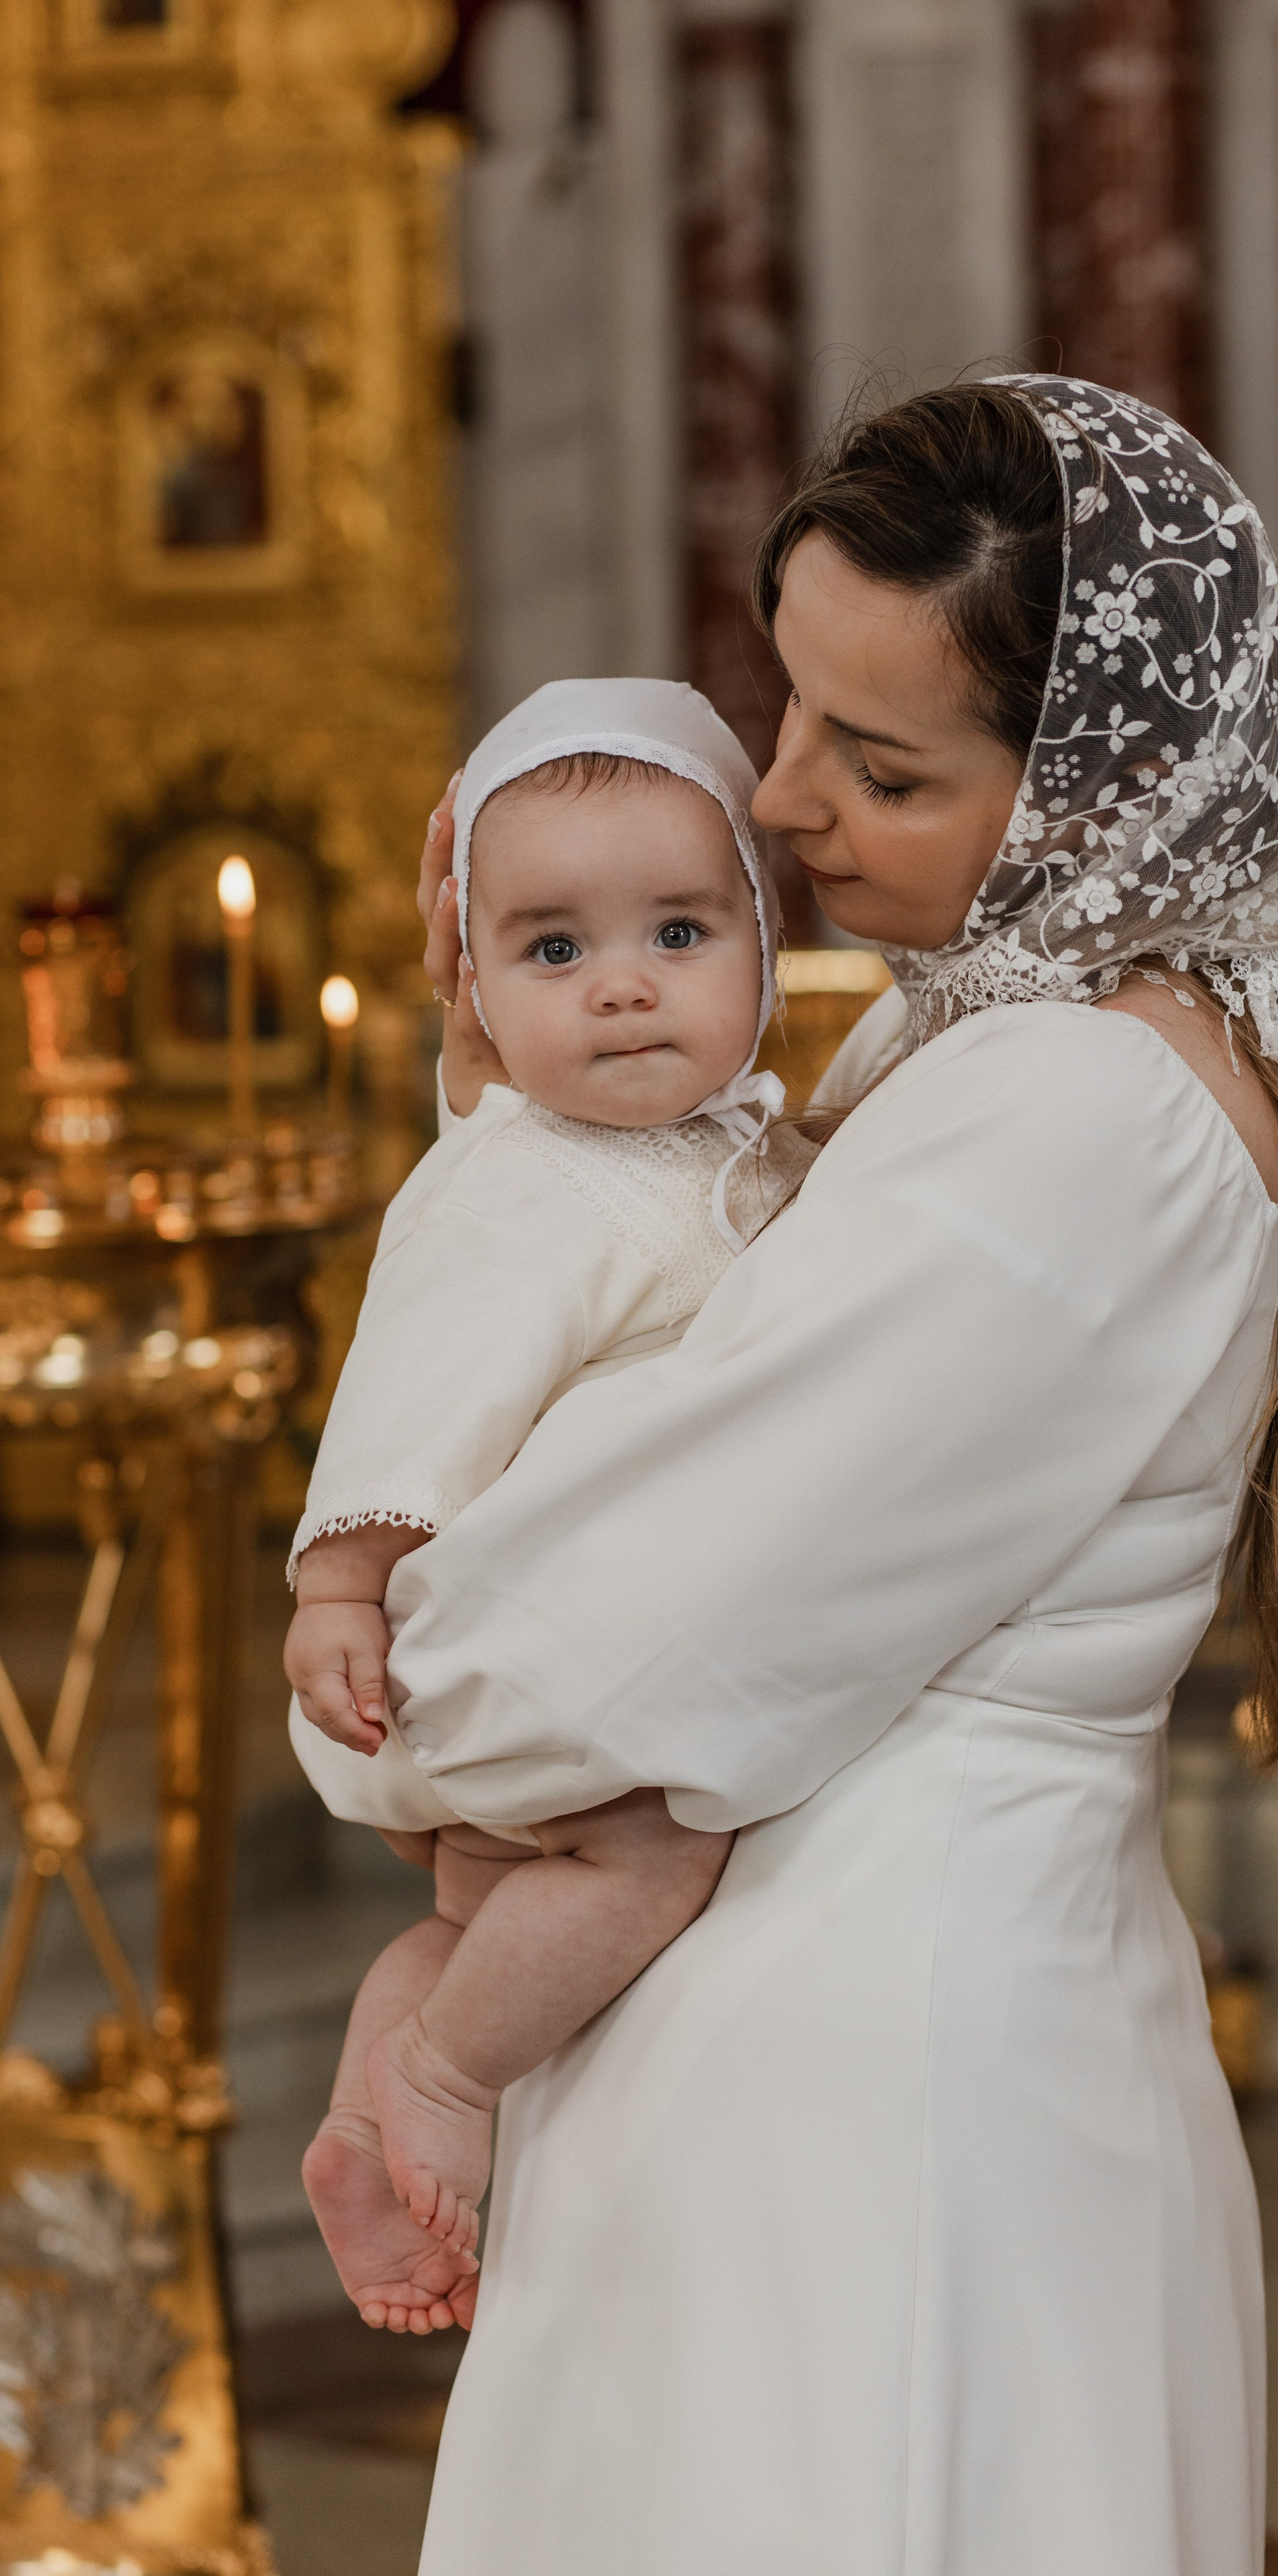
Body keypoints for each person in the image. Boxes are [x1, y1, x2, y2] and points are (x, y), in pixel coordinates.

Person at [369, 376, 1278, 2573]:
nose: (776, 796)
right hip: (862, 2032)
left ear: (1098, 793)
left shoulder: (1074, 1112)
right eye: (789, 707)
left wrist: (380, 1681)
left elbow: (611, 1632)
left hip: (869, 2082)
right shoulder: (983, 1019)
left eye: (883, 762)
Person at [284, 679, 805, 2334]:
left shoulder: (710, 1149)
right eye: (555, 952)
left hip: (549, 1665)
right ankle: (444, 2074)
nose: (628, 987)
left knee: (478, 1909)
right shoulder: (520, 1185)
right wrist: (340, 1589)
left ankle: (365, 2129)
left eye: (678, 928)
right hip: (512, 1659)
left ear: (762, 944)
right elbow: (410, 1390)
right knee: (661, 1848)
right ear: (477, 985)